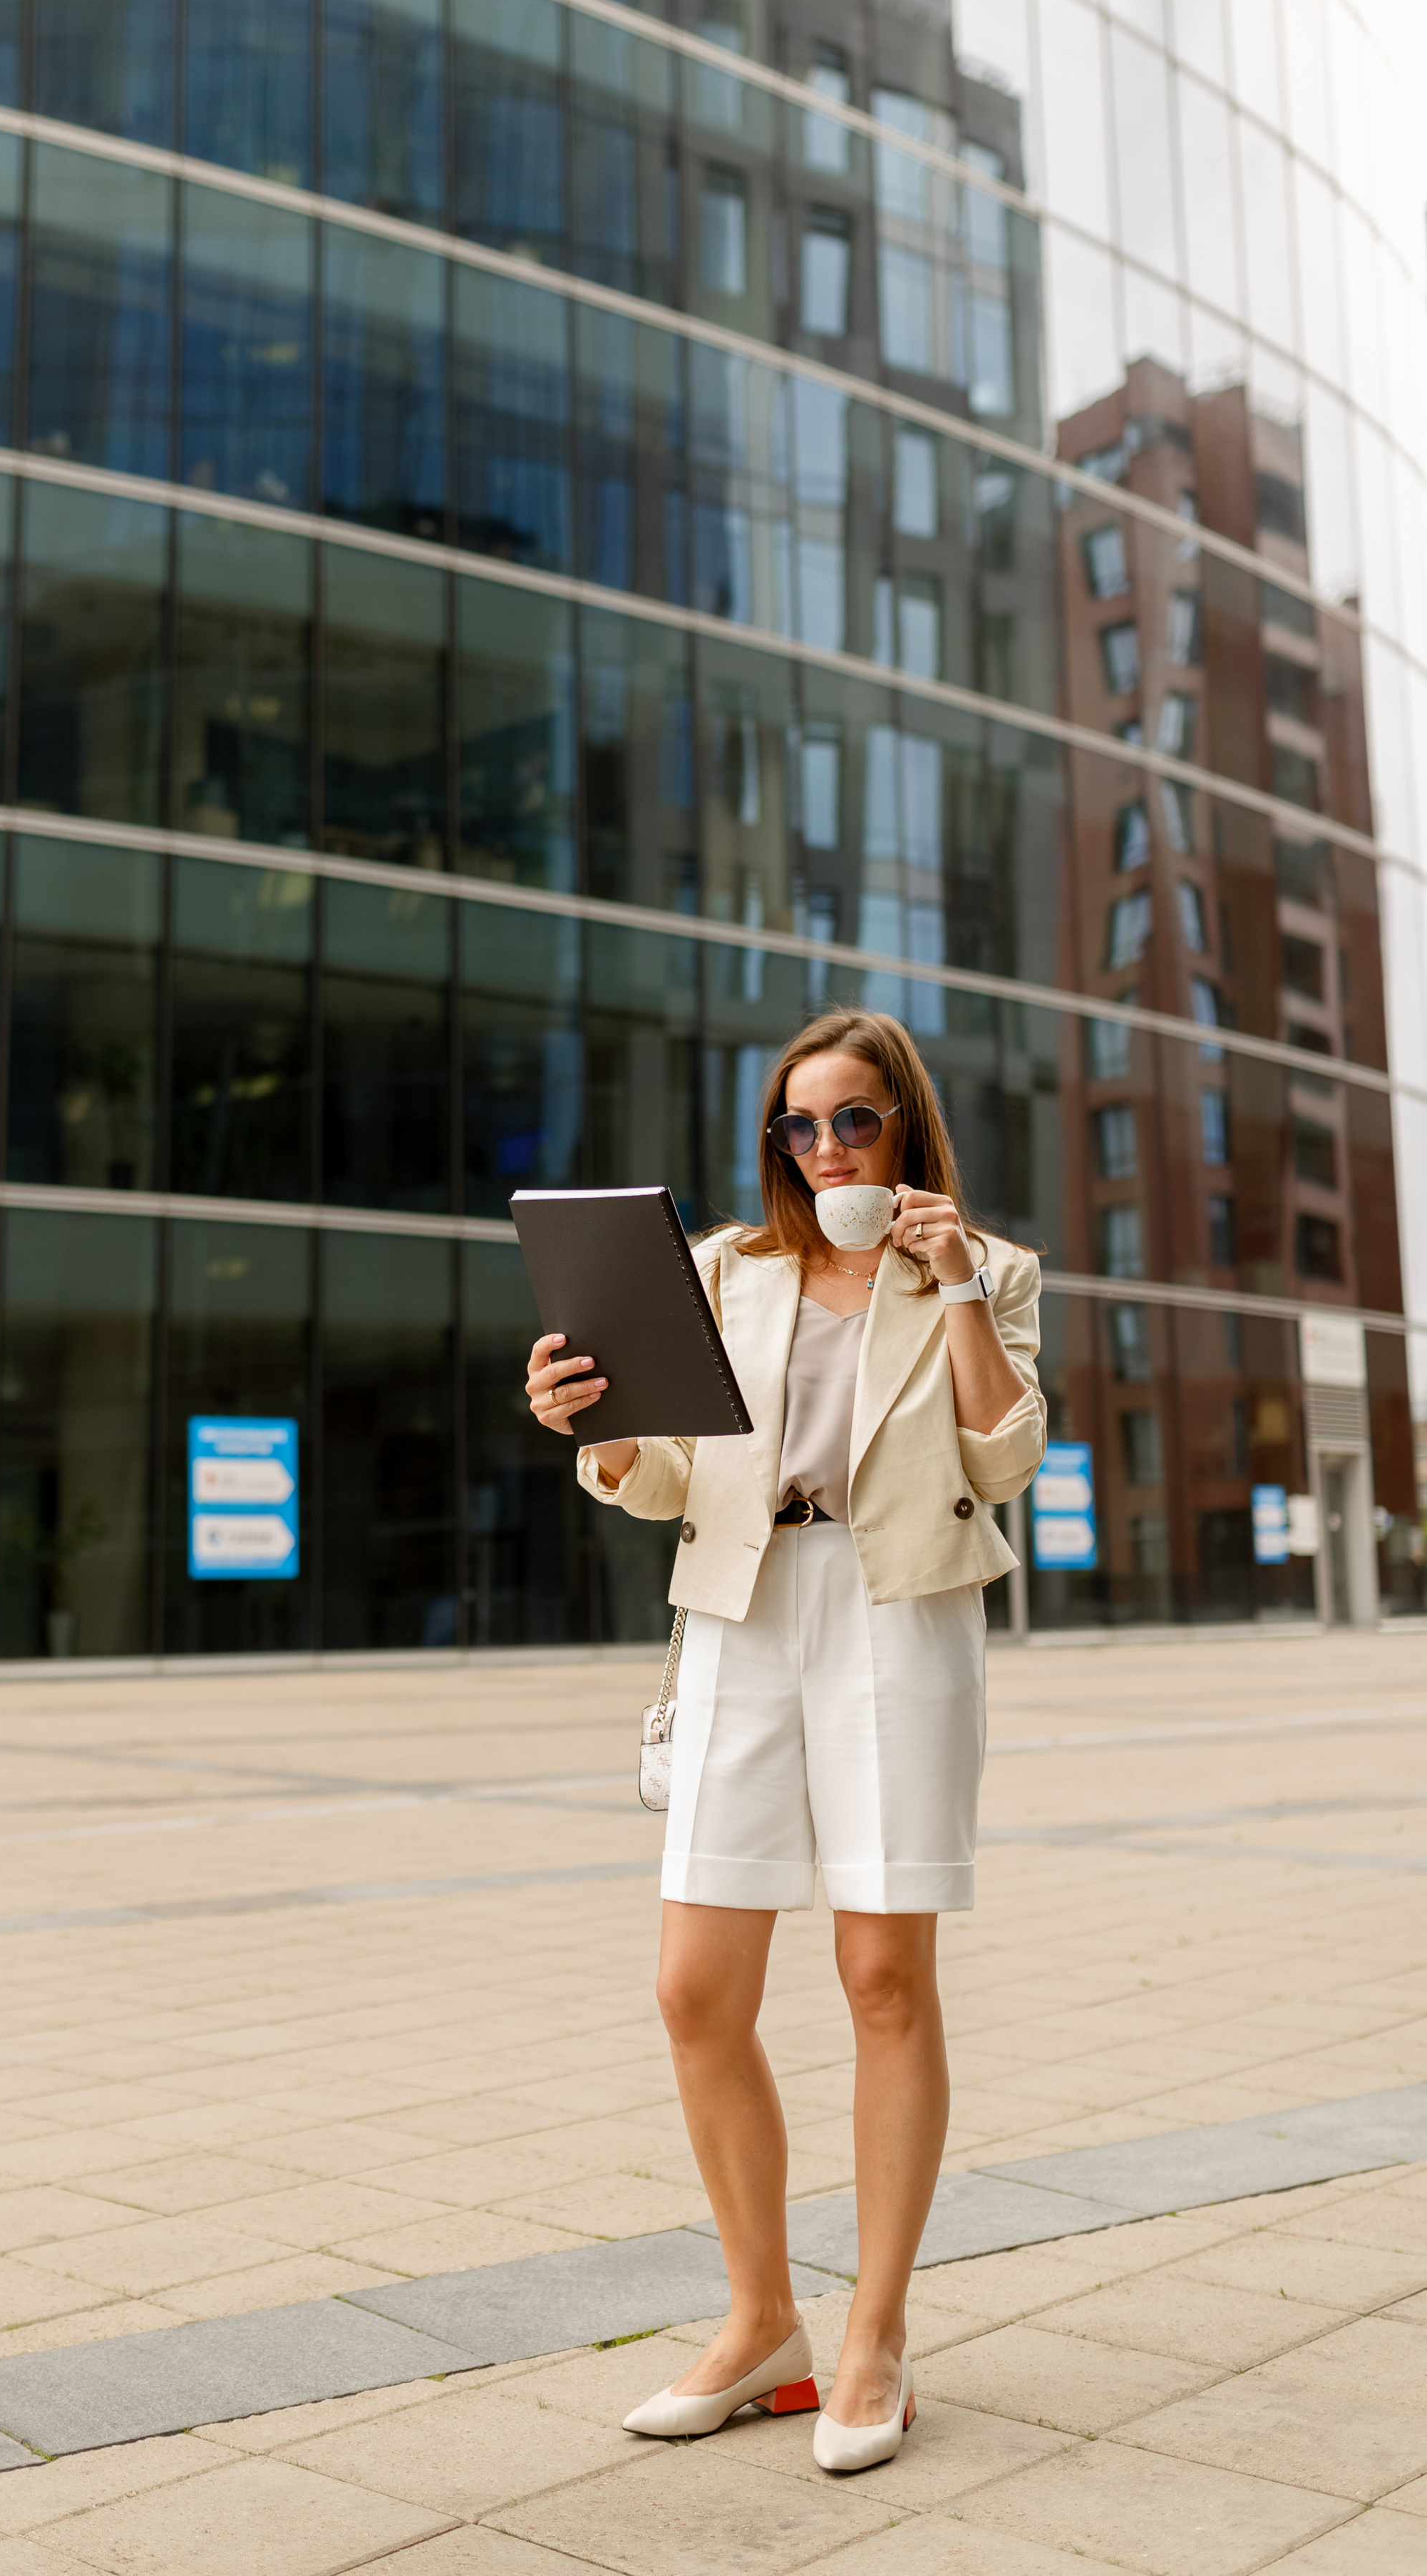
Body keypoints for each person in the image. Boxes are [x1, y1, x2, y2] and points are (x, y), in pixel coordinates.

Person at [523, 1007, 1046, 2473]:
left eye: (853, 1118)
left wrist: (949, 1282)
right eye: (798, 1126)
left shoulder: (989, 1271)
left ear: (904, 1125)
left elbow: (1005, 1453)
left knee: (882, 1977)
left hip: (898, 1613)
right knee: (695, 1991)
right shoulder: (721, 1273)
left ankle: (874, 2333)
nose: (826, 1148)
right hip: (740, 1611)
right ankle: (761, 2323)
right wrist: (597, 1429)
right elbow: (665, 1476)